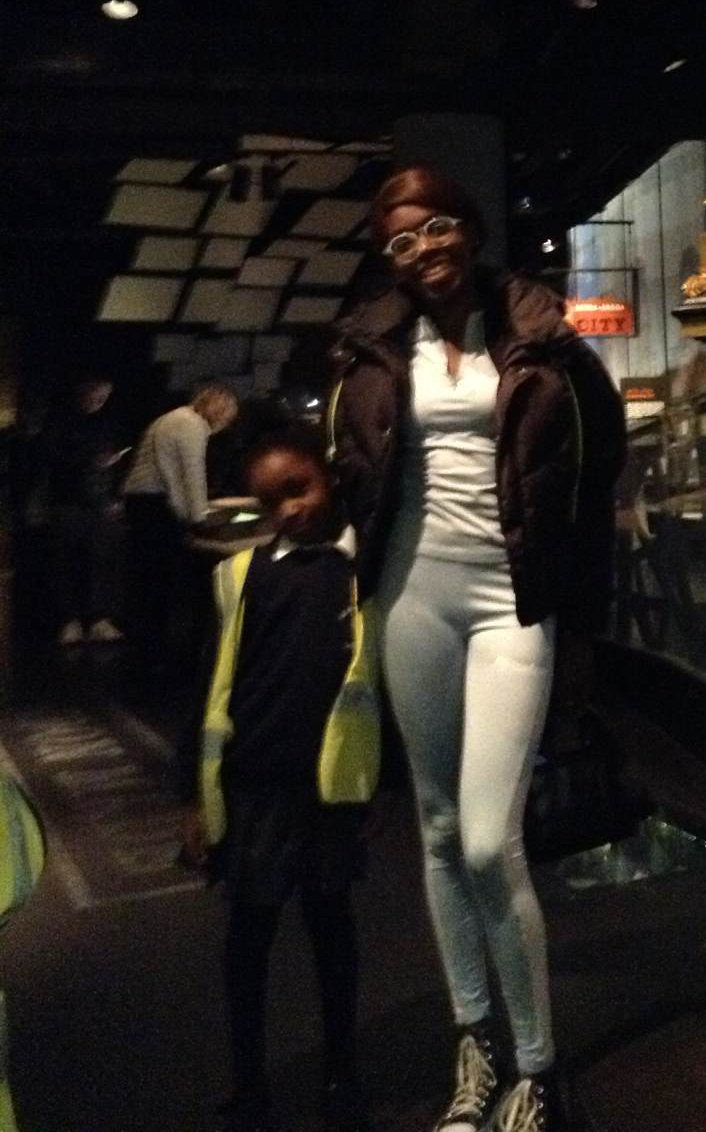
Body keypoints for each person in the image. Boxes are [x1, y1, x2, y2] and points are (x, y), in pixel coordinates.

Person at [328, 165, 626, 1132]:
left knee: (493, 840)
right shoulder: (373, 349)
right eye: (402, 240)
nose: (425, 250)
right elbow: (360, 471)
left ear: (470, 227)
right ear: (388, 258)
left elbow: (596, 473)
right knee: (439, 829)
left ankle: (536, 1066)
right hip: (412, 595)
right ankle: (476, 1044)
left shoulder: (542, 336)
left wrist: (583, 616)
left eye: (438, 227)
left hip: (512, 598)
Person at [178, 424, 380, 1132]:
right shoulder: (242, 577)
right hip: (255, 785)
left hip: (329, 790)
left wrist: (380, 789)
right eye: (272, 502)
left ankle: (342, 1074)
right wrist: (193, 797)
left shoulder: (362, 572)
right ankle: (248, 1083)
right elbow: (209, 685)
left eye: (299, 488)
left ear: (328, 474)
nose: (290, 509)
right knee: (248, 941)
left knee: (332, 933)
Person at [122, 383, 239, 689]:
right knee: (159, 580)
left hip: (140, 500)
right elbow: (191, 473)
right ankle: (158, 654)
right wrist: (199, 517)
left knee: (147, 581)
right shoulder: (191, 425)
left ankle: (147, 650)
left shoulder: (174, 417)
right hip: (152, 504)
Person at [36, 376, 125, 645]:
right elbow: (49, 459)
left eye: (103, 399)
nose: (98, 403)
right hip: (67, 500)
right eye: (95, 397)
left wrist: (113, 493)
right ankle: (69, 619)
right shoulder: (59, 422)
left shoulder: (104, 423)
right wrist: (89, 461)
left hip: (97, 500)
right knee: (66, 560)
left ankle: (97, 619)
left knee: (98, 561)